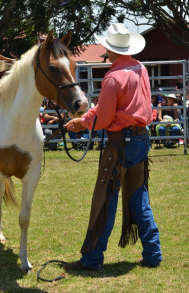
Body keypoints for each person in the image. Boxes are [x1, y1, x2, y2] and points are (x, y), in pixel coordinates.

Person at [63, 23, 162, 270]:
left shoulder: (113, 77)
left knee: (106, 199)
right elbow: (115, 109)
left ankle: (93, 258)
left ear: (109, 49)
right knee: (139, 197)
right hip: (141, 139)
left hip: (120, 144)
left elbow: (105, 118)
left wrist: (82, 123)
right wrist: (90, 117)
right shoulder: (140, 68)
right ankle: (153, 253)